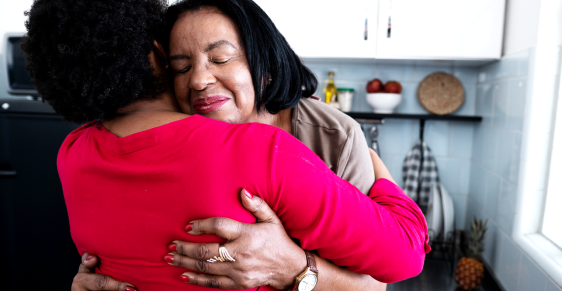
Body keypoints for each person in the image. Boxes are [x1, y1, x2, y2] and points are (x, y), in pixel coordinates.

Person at [21, 0, 429, 291]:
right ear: (158, 55)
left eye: (220, 59)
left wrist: (292, 268)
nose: (199, 79)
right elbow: (406, 253)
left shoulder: (73, 154)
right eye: (181, 66)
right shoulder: (261, 151)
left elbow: (373, 285)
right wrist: (381, 170)